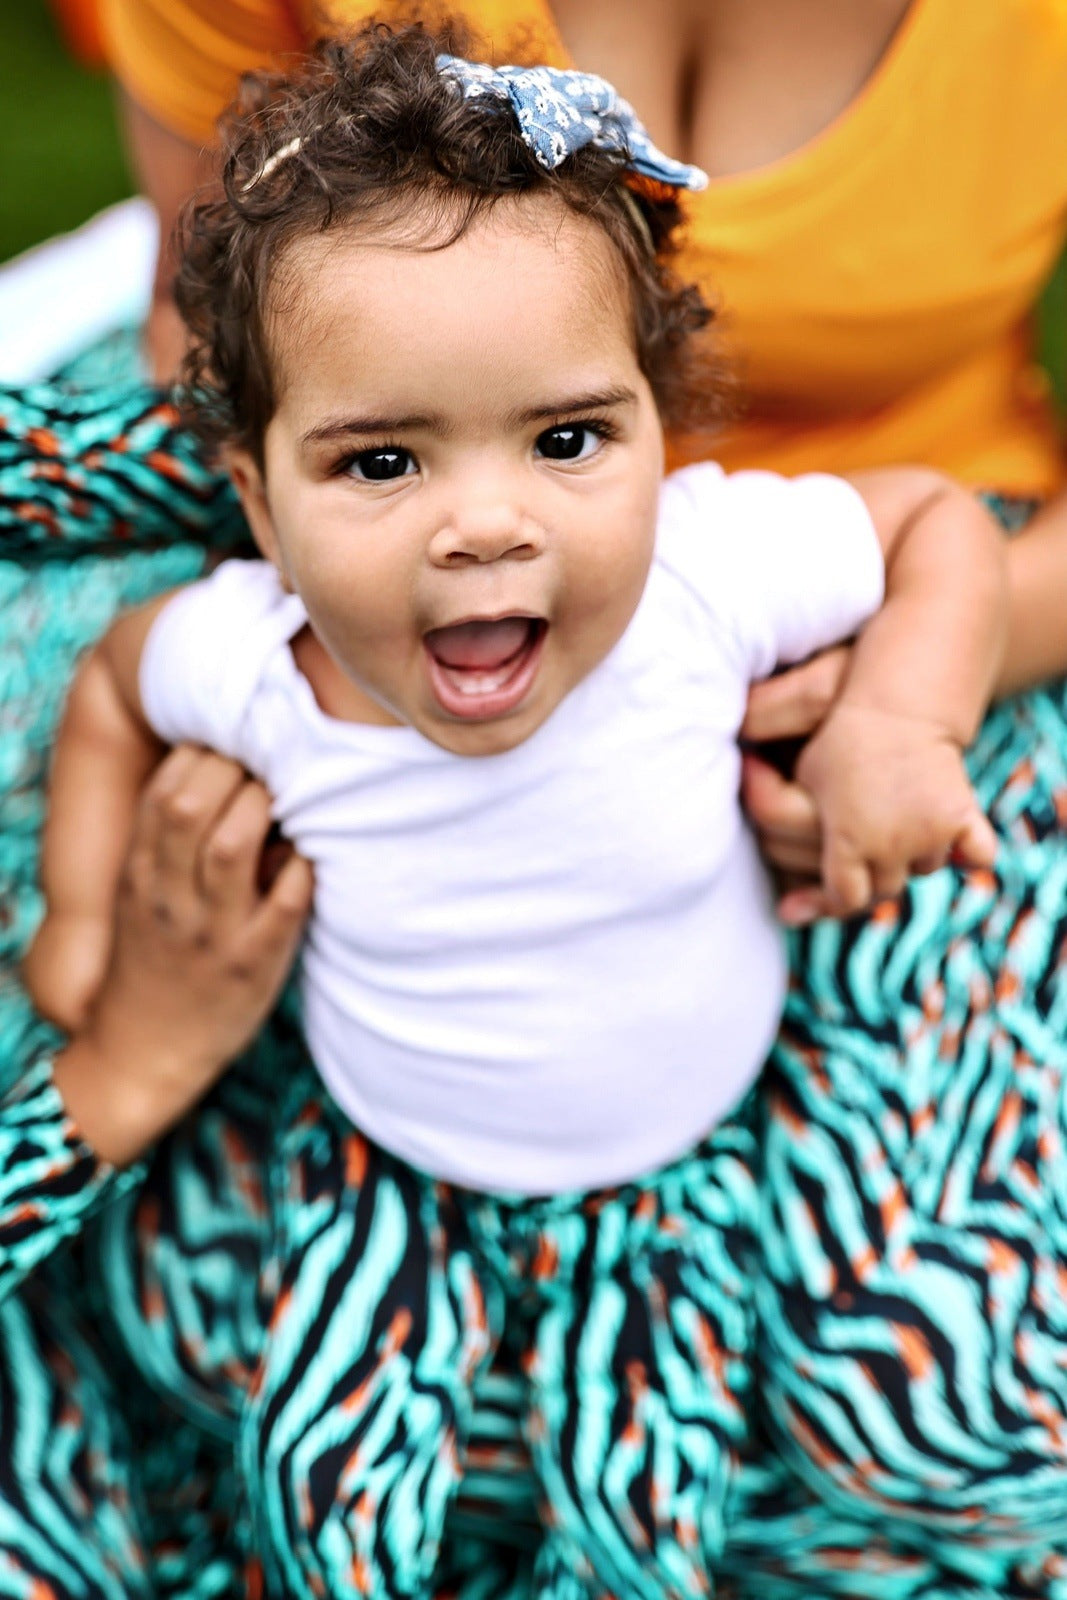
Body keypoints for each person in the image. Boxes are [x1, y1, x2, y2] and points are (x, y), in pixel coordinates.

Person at [4, 1, 1067, 1595]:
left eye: (567, 441)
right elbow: (108, 690)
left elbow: (930, 528)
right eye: (382, 467)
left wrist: (906, 714)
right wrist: (86, 946)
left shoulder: (711, 567)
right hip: (398, 1167)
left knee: (900, 1412)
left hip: (682, 1119)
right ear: (255, 495)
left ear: (665, 425)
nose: (484, 528)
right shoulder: (254, 662)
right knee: (288, 1455)